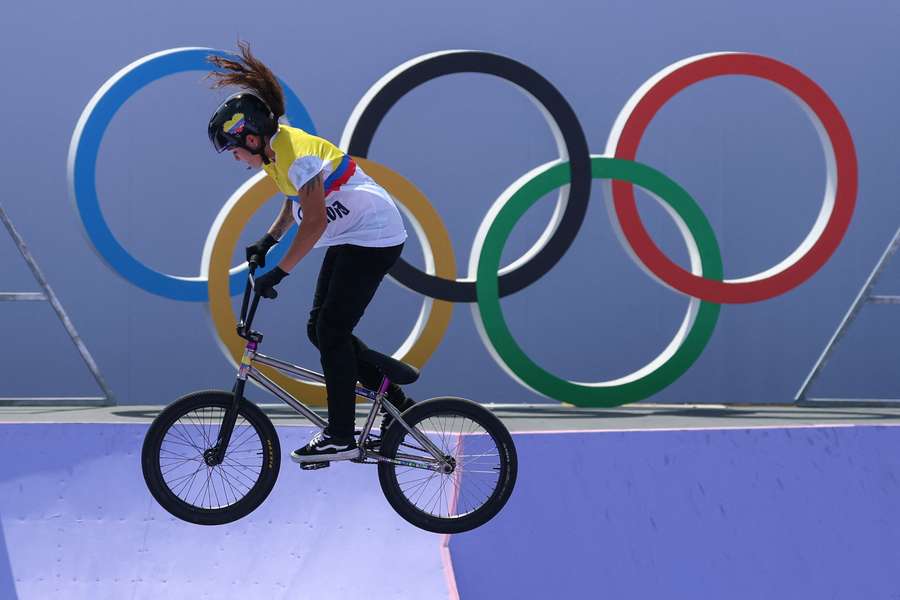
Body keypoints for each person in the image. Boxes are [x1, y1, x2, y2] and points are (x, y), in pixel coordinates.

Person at [206, 42, 414, 463]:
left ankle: (341, 433)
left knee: (332, 332)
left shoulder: (296, 153)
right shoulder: (278, 154)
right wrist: (269, 238)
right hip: (352, 235)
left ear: (251, 135)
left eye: (235, 149)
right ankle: (397, 401)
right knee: (318, 329)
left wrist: (279, 272)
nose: (236, 158)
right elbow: (295, 201)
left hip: (373, 237)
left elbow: (315, 221)